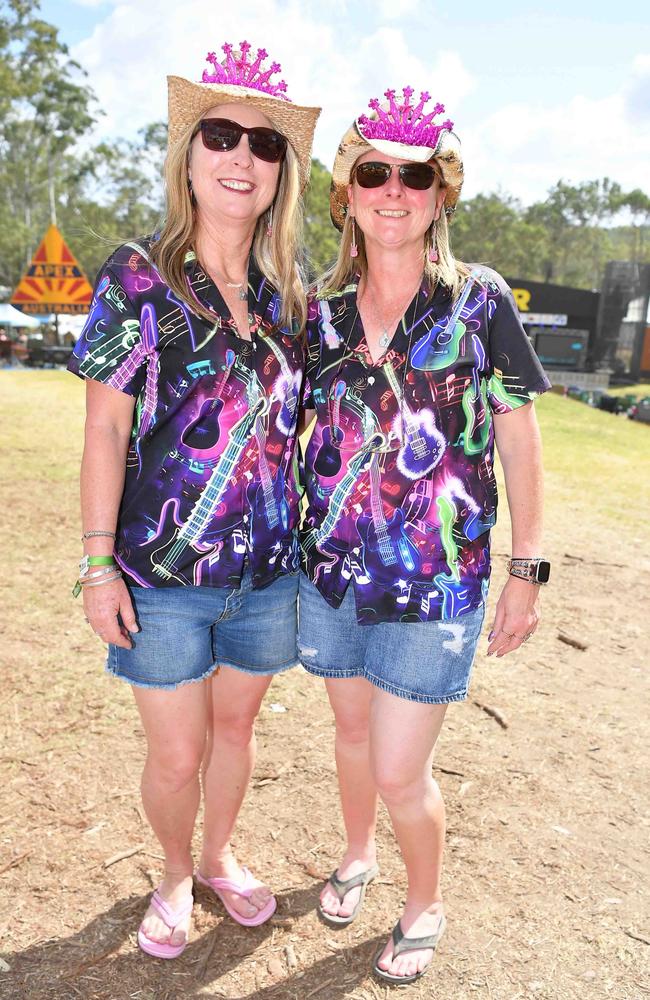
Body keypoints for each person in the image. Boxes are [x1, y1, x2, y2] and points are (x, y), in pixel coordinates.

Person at [68, 41, 320, 959]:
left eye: (264, 144)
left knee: (235, 728)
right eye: (220, 135)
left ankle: (218, 855)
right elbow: (103, 432)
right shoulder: (138, 275)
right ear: (190, 152)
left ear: (281, 172)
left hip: (267, 577)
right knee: (176, 752)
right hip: (161, 575)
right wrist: (98, 566)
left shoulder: (294, 295)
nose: (241, 157)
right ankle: (173, 873)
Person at [299, 87, 551, 985]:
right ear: (348, 192)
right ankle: (358, 854)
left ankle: (424, 903)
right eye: (375, 173)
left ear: (440, 193)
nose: (393, 191)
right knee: (353, 735)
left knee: (403, 768)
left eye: (415, 175)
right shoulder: (316, 310)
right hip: (331, 578)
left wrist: (526, 570)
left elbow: (519, 433)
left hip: (440, 580)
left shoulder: (479, 302)